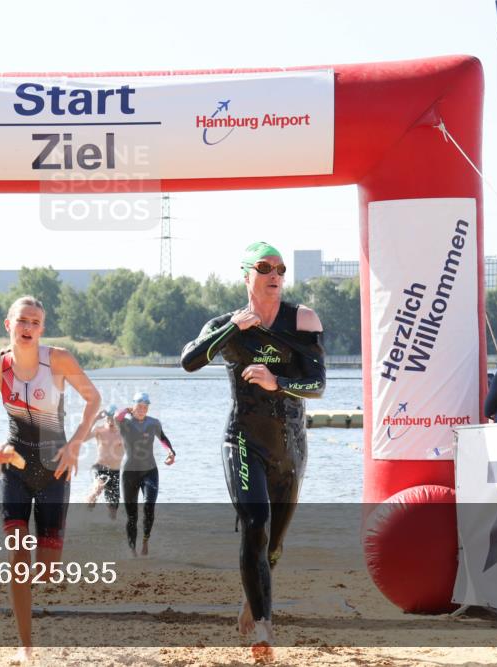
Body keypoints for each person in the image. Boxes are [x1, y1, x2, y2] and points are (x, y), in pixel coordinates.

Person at [180, 241, 325, 661]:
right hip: (243, 438)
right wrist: (233, 330)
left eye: (280, 268)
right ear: (247, 276)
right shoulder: (226, 324)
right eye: (265, 268)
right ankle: (264, 627)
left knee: (273, 543)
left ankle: (252, 595)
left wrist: (276, 381)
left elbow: (317, 385)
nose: (275, 274)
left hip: (290, 444)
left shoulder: (302, 320)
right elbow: (189, 361)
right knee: (254, 523)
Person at [0, 295, 100, 663]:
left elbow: (93, 399)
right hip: (15, 469)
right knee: (18, 556)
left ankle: (32, 583)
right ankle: (26, 647)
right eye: (22, 321)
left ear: (42, 328)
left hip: (55, 469)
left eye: (35, 323)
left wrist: (75, 445)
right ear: (8, 325)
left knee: (48, 569)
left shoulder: (58, 360)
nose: (28, 328)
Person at [115, 393, 175, 557]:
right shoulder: (125, 423)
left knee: (149, 506)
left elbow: (163, 438)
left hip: (150, 471)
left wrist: (170, 452)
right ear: (133, 407)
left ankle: (146, 540)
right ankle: (132, 549)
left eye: (145, 406)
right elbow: (117, 417)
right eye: (139, 406)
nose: (142, 409)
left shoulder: (153, 423)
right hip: (129, 473)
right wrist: (126, 410)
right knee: (131, 515)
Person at [84, 404, 123, 519]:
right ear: (105, 418)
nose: (111, 421)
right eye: (108, 418)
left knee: (113, 509)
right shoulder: (99, 430)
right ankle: (82, 516)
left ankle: (111, 529)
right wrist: (95, 419)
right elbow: (84, 437)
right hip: (100, 467)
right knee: (98, 489)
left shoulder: (123, 433)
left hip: (115, 471)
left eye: (113, 419)